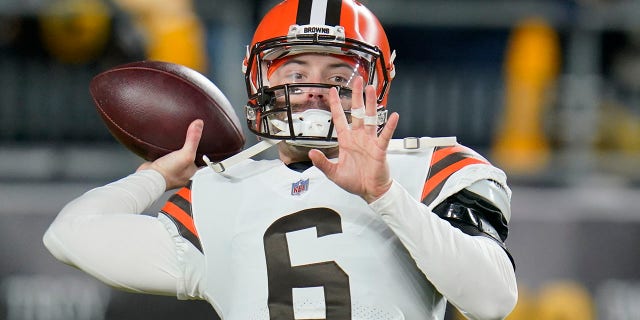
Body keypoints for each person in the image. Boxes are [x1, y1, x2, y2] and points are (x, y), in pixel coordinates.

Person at [43, 0, 518, 319]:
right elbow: (68, 236)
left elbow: (492, 299)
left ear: (377, 85)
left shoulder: (430, 166)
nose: (313, 87)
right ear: (258, 78)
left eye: (339, 71)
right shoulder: (218, 191)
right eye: (295, 69)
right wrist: (154, 176)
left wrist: (385, 196)